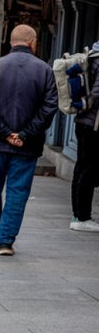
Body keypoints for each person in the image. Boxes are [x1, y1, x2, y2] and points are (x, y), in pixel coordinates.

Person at [0, 24, 57, 255]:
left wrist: (4, 133)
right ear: (33, 43)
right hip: (27, 146)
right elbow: (49, 107)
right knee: (17, 193)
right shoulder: (44, 70)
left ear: (11, 42)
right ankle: (5, 241)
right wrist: (25, 134)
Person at [68, 42, 99, 233]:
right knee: (88, 169)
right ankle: (82, 217)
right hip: (93, 124)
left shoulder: (93, 55)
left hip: (83, 120)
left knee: (81, 167)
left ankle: (77, 214)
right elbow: (97, 93)